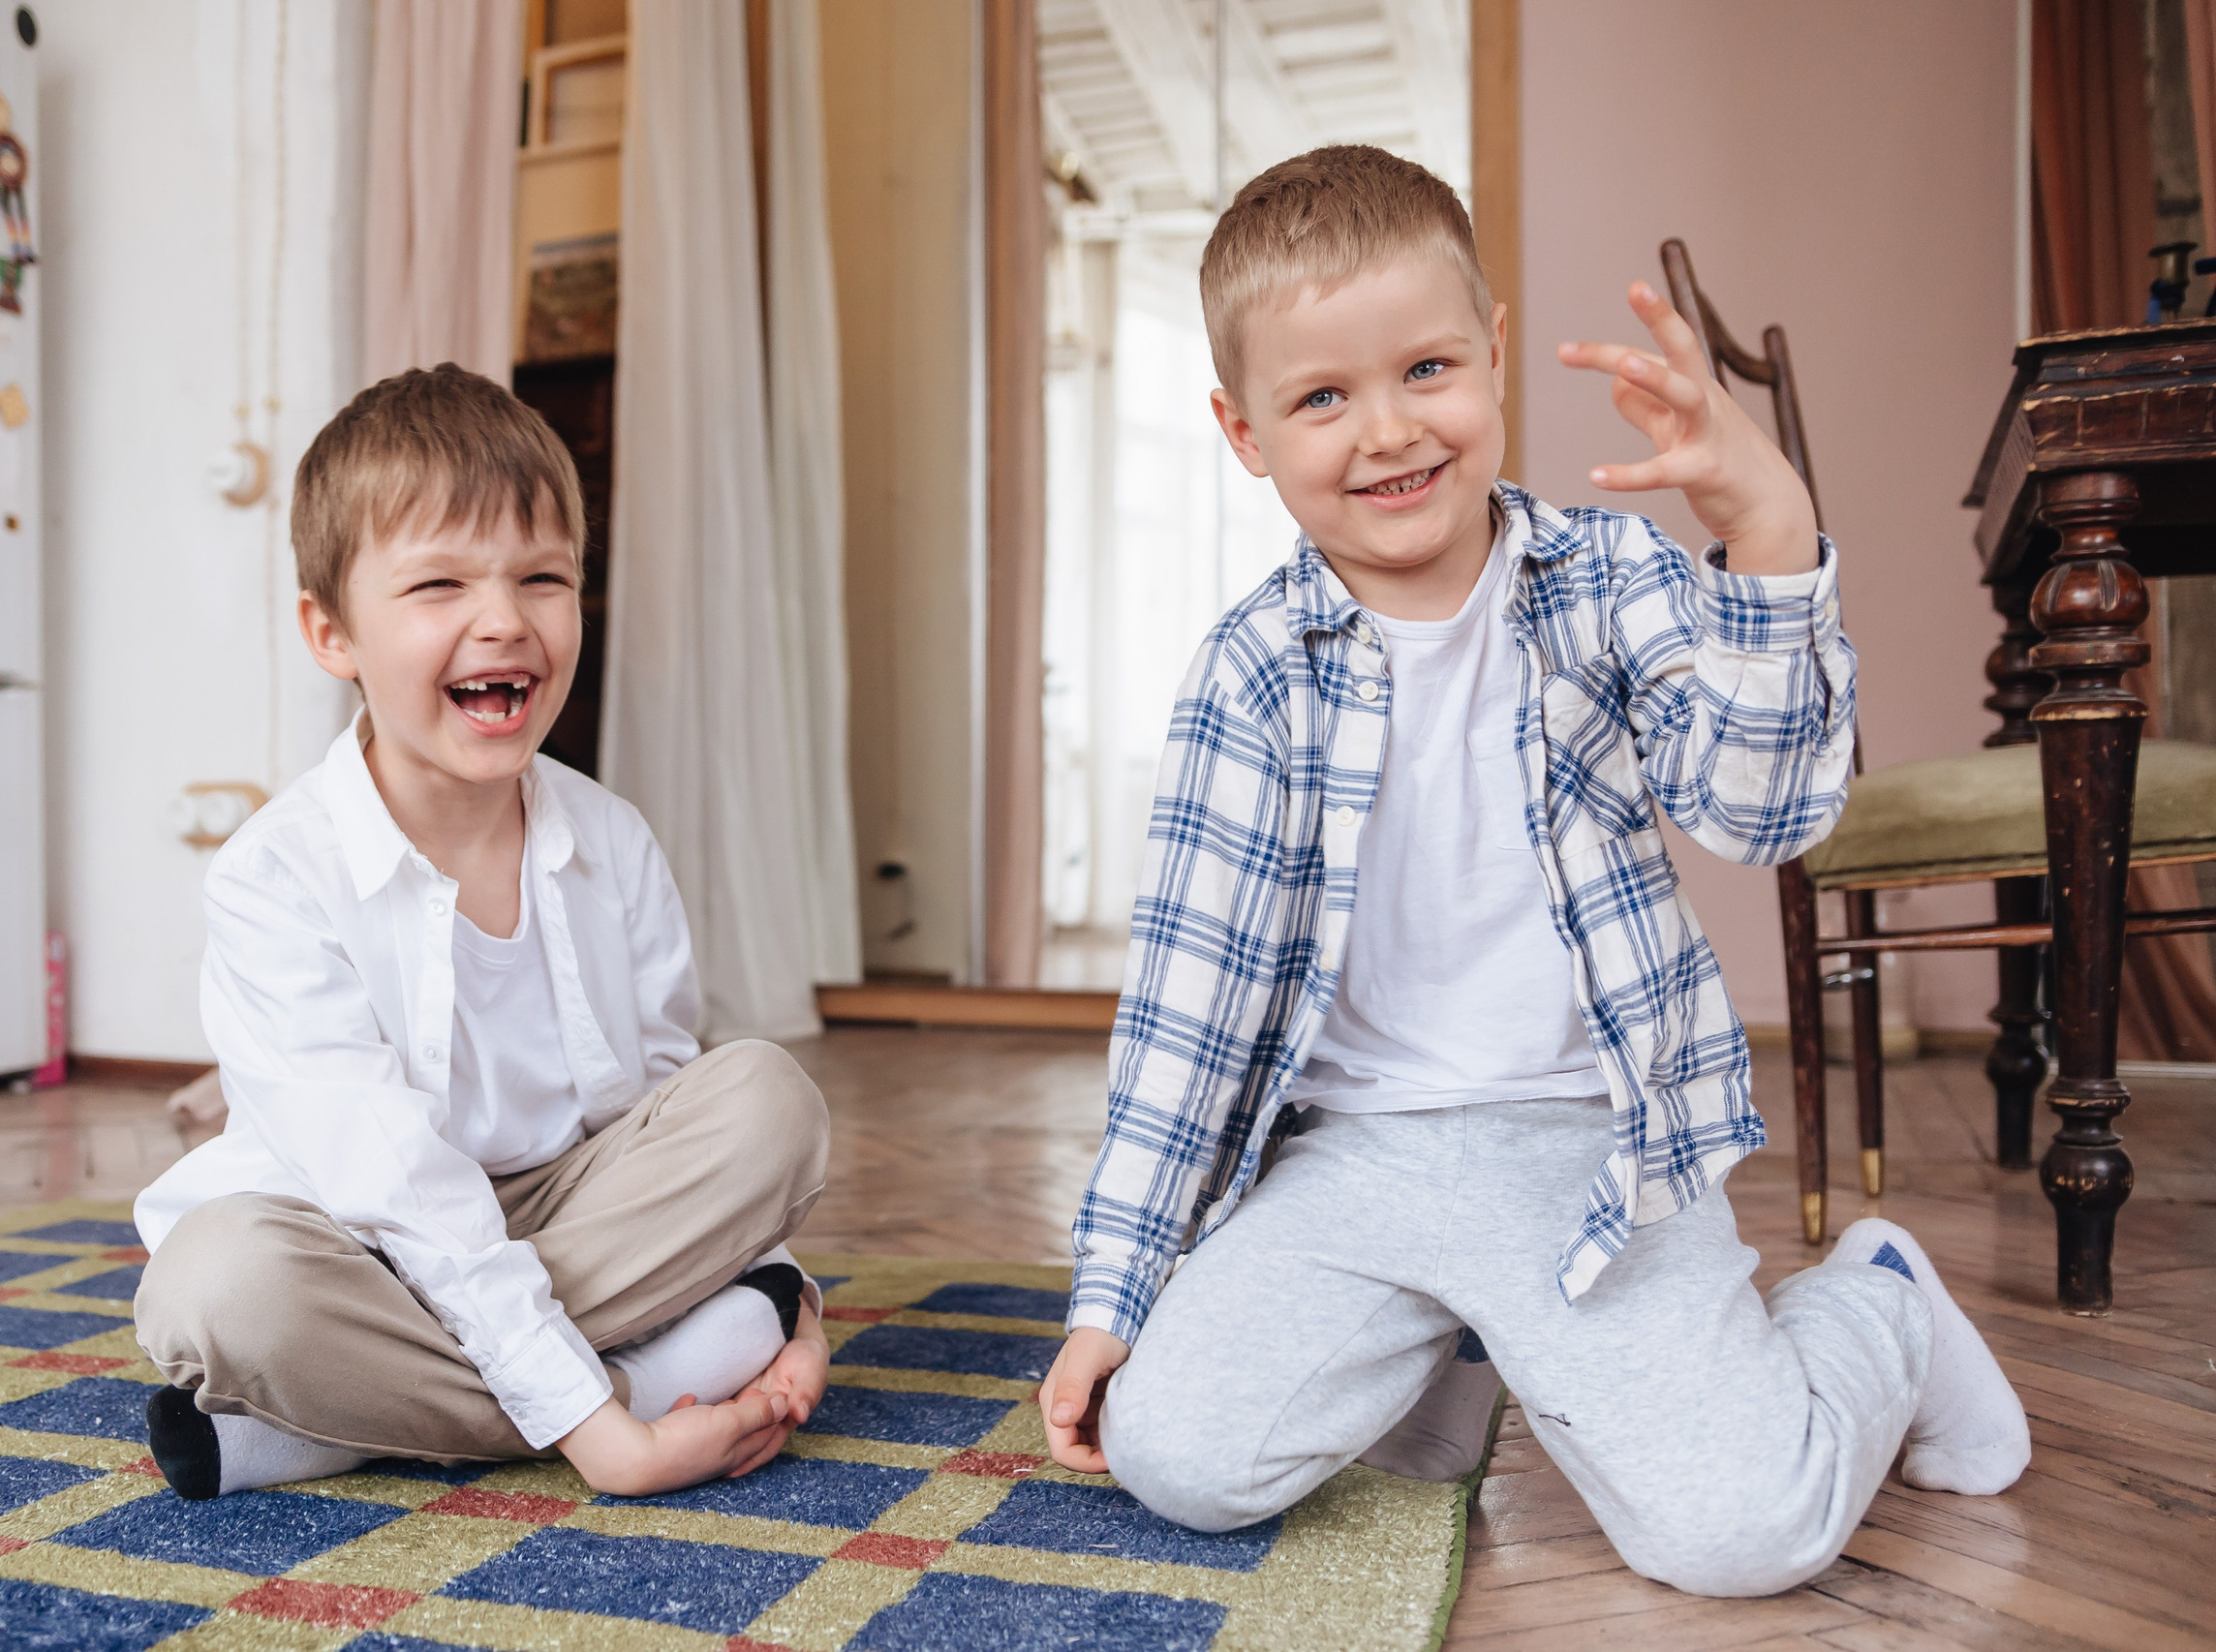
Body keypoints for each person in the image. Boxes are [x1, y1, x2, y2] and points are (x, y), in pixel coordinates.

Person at [1035, 146, 2028, 1597]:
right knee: (1175, 1454)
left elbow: (1765, 815)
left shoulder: (1611, 582)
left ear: (1493, 352)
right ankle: (1454, 1337)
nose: (1388, 429)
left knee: (1739, 1535)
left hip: (1587, 1147)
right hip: (1351, 1154)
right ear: (1242, 431)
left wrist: (1765, 533)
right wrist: (1113, 1291)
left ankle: (1881, 1302)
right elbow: (1186, 1020)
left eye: (1426, 368)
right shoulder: (1247, 675)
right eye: (1321, 398)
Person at [132, 365, 832, 1501]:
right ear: (331, 632)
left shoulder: (615, 842)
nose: (503, 618)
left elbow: (666, 1109)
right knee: (216, 1285)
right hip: (356, 1239)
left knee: (767, 1099)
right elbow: (394, 1182)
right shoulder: (273, 877)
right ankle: (634, 1383)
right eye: (440, 583)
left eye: (543, 577)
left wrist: (791, 1294)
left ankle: (328, 1431)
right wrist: (613, 1436)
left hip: (578, 1213)